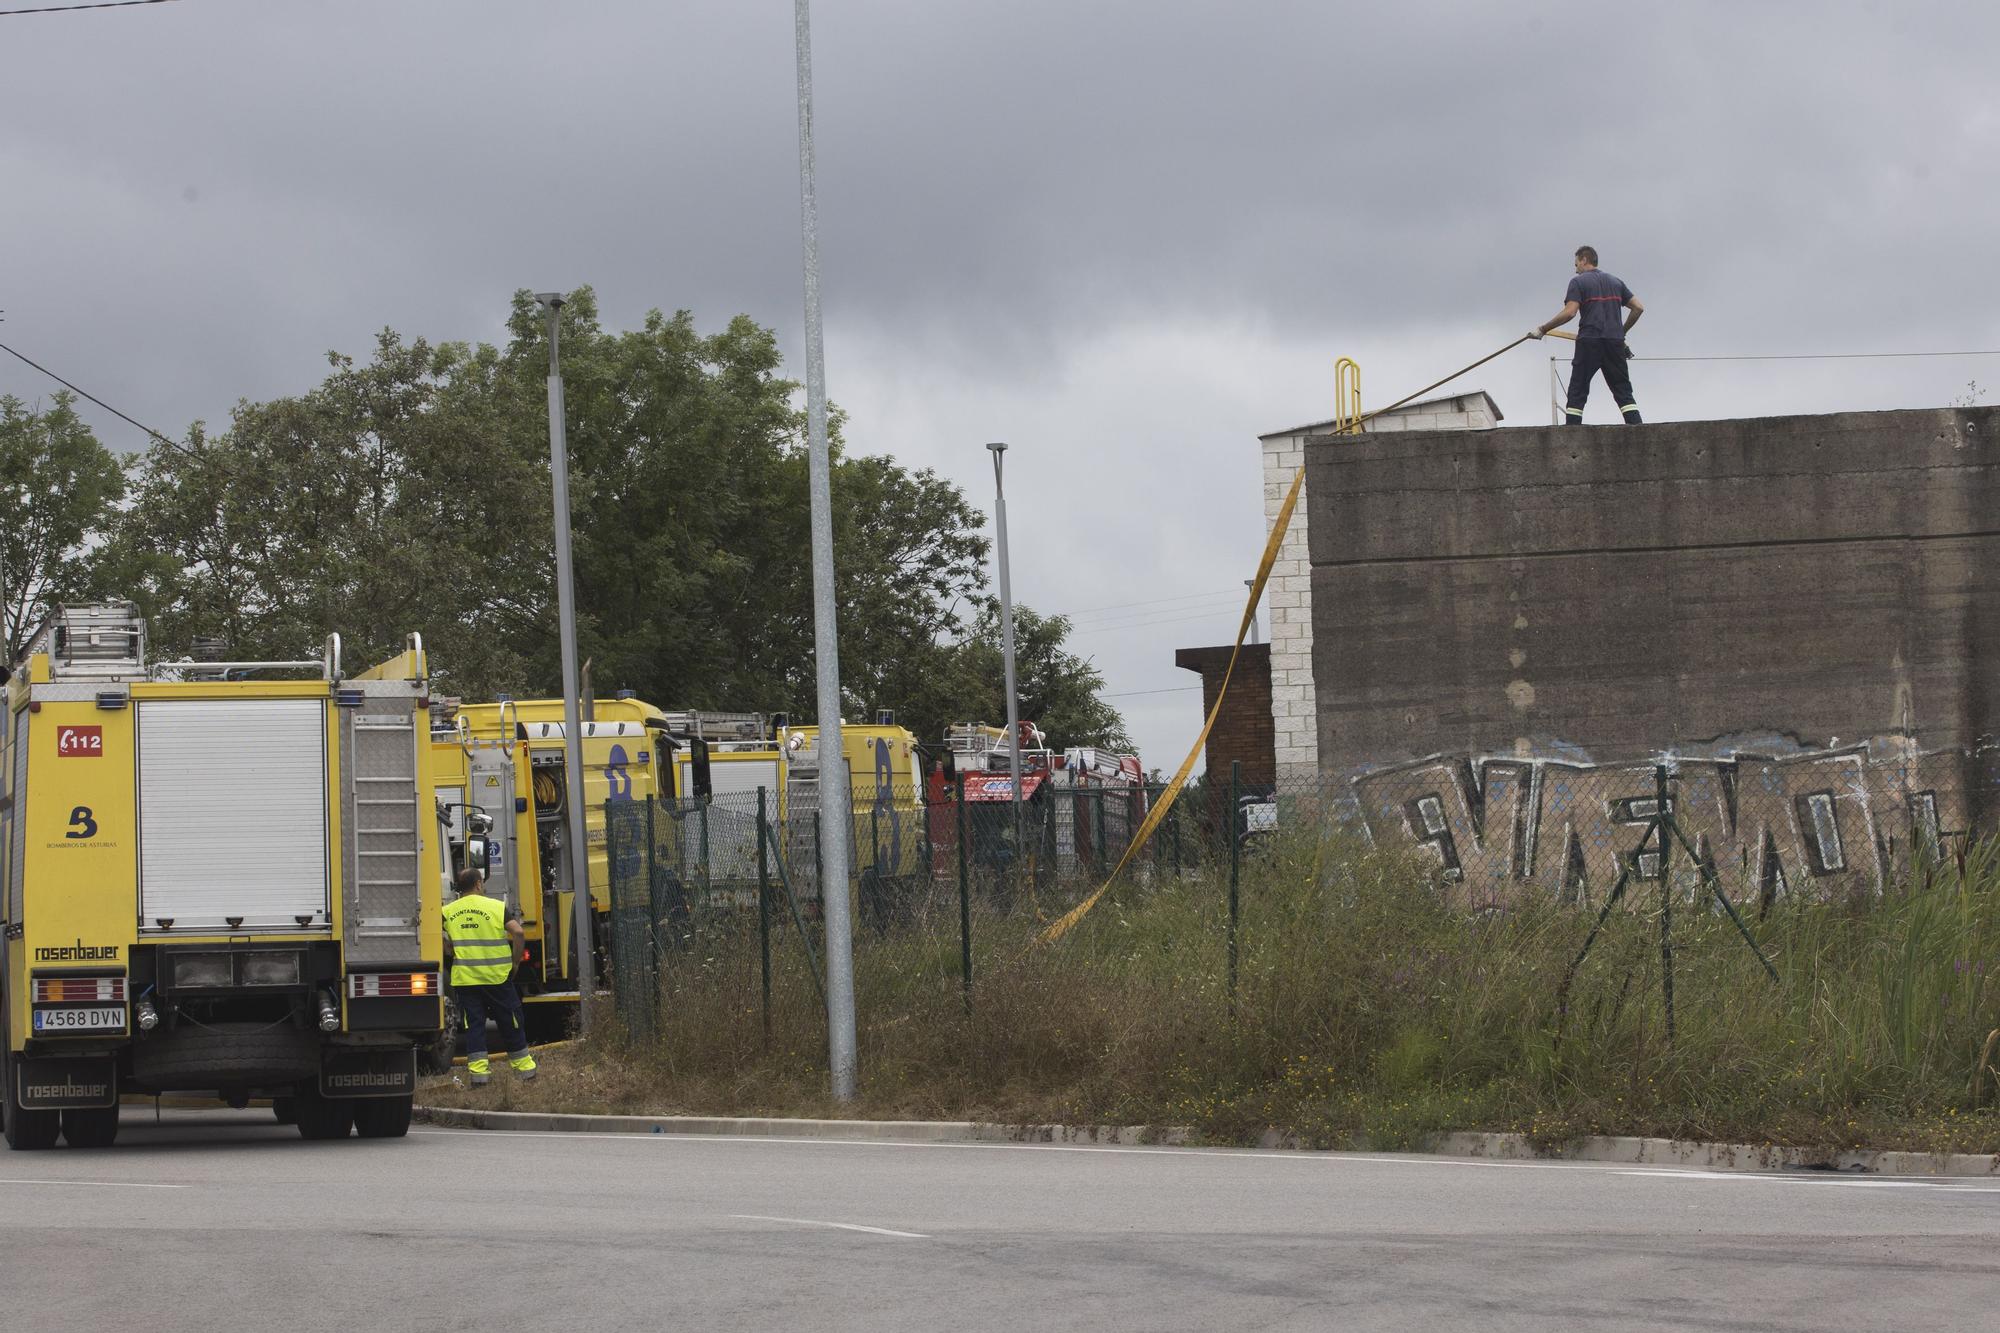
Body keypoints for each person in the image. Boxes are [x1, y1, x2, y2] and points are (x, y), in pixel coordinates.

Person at [442, 867, 537, 1087]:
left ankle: (479, 1077)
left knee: (474, 1025)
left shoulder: (447, 911)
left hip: (466, 980)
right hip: (497, 978)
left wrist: (447, 947)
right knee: (510, 1021)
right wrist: (515, 962)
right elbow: (519, 932)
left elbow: (432, 930)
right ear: (477, 884)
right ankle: (525, 1072)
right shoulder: (495, 907)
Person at [1530, 246, 1645, 424]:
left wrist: (1543, 329)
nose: (1575, 270)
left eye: (1576, 264)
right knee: (1623, 392)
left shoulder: (1578, 282)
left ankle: (1572, 434)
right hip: (1614, 343)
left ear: (1584, 260)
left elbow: (1570, 313)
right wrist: (1621, 333)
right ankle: (1638, 430)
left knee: (1578, 390)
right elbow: (1638, 307)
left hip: (1589, 341)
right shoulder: (1616, 282)